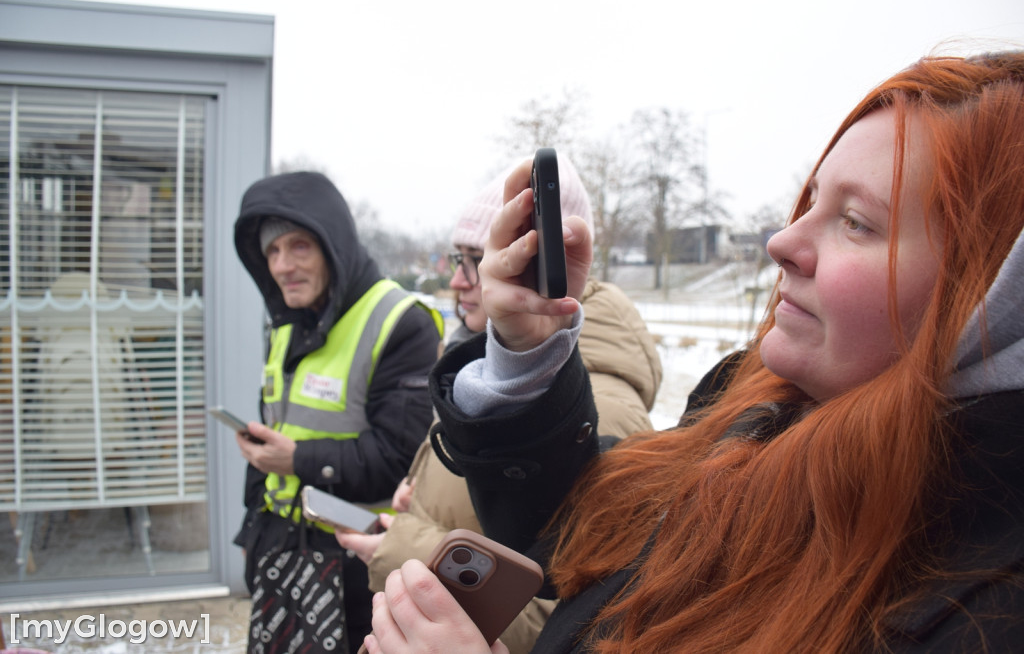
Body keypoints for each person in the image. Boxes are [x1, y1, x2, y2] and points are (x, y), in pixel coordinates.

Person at [363, 51, 1024, 653]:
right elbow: (584, 534)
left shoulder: (989, 612)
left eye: (856, 222)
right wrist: (528, 351)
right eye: (811, 199)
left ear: (989, 297)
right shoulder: (749, 408)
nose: (782, 240)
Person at [336, 154, 663, 653]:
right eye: (461, 257)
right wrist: (421, 497)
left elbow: (571, 618)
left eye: (480, 257)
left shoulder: (602, 410)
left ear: (541, 265)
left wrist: (401, 549)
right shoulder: (494, 375)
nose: (461, 280)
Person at [230, 171, 443, 654]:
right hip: (281, 548)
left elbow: (399, 461)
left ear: (333, 247)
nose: (283, 265)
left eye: (298, 246)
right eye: (272, 252)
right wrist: (252, 532)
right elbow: (277, 430)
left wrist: (297, 460)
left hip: (356, 568)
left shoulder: (398, 322)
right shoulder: (288, 322)